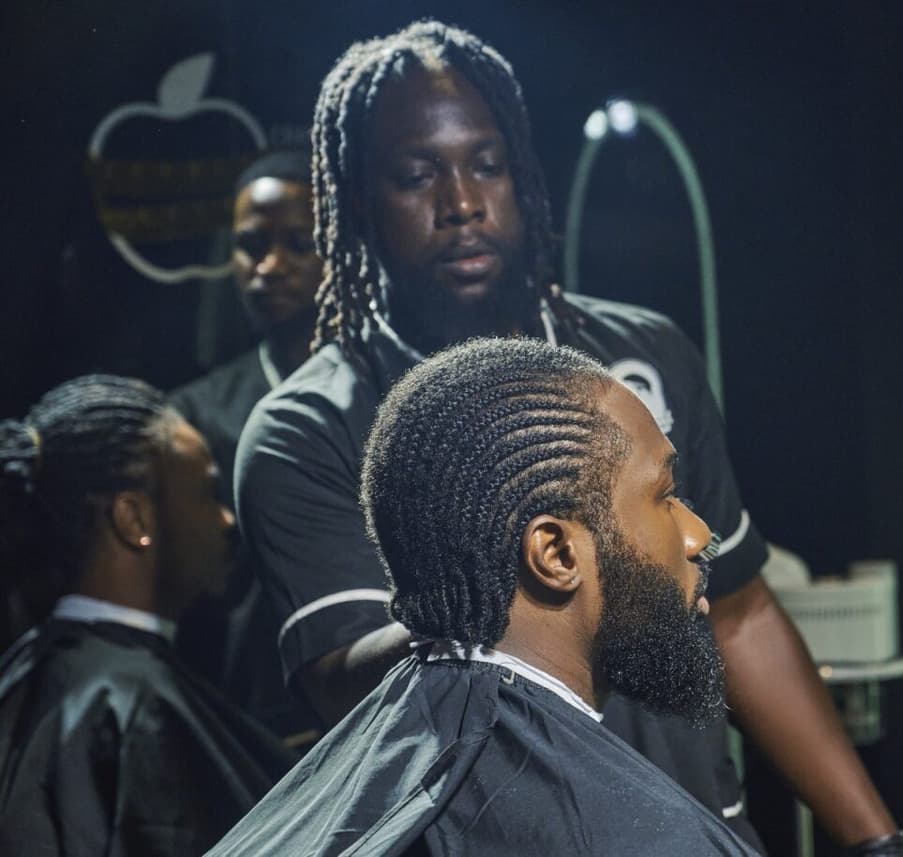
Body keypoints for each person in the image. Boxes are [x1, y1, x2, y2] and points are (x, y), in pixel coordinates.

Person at [235, 20, 903, 855]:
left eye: (487, 164)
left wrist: (877, 841)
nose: (462, 203)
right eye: (417, 175)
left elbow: (737, 612)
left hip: (691, 826)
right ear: (361, 198)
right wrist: (499, 591)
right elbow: (344, 686)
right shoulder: (308, 426)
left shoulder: (640, 355)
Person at [211, 337, 759, 855]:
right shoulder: (654, 841)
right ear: (556, 553)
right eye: (664, 496)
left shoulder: (318, 804)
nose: (698, 534)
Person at [0, 375, 295, 857]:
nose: (226, 520)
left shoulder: (27, 672)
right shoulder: (130, 708)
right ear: (134, 518)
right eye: (208, 493)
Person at [171, 150, 323, 743]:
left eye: (298, 243)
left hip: (374, 714)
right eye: (252, 245)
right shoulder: (194, 416)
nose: (270, 266)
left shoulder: (391, 396)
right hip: (241, 725)